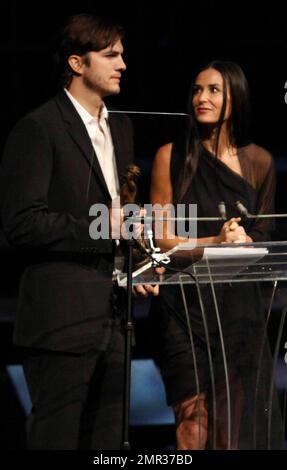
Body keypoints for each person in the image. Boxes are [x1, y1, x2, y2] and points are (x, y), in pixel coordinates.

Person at [0, 13, 159, 450]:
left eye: (123, 55)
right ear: (76, 63)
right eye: (110, 55)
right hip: (61, 321)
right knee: (57, 439)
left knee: (108, 444)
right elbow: (21, 224)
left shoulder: (121, 126)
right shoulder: (39, 128)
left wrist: (139, 257)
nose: (122, 64)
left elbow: (118, 217)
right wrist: (100, 227)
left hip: (115, 319)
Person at [150, 60, 284, 449]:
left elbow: (263, 239)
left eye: (213, 90)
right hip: (183, 308)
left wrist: (241, 241)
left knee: (233, 430)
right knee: (192, 426)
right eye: (195, 89)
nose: (200, 98)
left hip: (238, 310)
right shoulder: (169, 157)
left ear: (234, 99)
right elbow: (161, 240)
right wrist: (216, 241)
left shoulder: (258, 161)